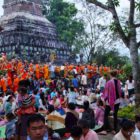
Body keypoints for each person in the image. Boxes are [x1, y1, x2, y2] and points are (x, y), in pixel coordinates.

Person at [101, 70, 122, 134]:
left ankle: (105, 130)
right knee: (115, 115)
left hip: (109, 101)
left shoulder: (109, 82)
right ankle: (114, 130)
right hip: (117, 101)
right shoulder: (118, 82)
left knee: (106, 115)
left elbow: (106, 92)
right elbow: (120, 91)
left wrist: (104, 100)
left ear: (110, 75)